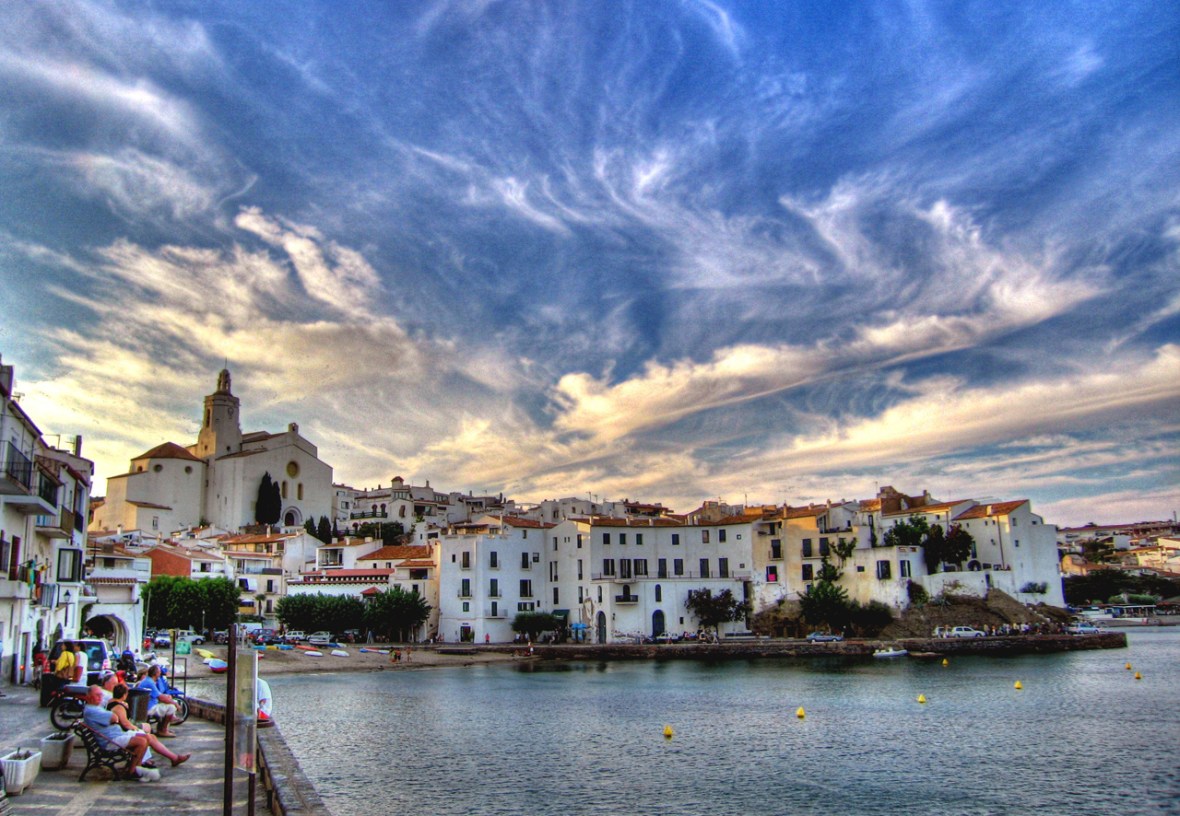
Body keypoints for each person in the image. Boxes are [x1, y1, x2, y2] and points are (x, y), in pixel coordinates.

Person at [81, 685, 157, 781]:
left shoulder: (96, 707)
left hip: (116, 736)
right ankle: (132, 772)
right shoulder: (91, 710)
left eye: (101, 695)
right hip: (110, 741)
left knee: (146, 738)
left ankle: (137, 768)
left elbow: (114, 718)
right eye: (97, 695)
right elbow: (114, 718)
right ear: (88, 696)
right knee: (141, 742)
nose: (100, 697)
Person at [107, 683, 189, 768]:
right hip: (121, 734)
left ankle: (171, 758)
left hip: (119, 732)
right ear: (124, 695)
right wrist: (136, 728)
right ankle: (149, 760)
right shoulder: (118, 707)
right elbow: (125, 724)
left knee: (149, 735)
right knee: (146, 736)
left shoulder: (113, 703)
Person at [137, 665, 178, 737]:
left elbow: (157, 695)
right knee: (171, 707)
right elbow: (160, 697)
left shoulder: (148, 680)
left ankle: (161, 728)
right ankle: (163, 730)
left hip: (146, 705)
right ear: (155, 674)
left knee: (168, 704)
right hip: (148, 707)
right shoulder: (150, 682)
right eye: (159, 672)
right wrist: (175, 703)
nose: (160, 673)